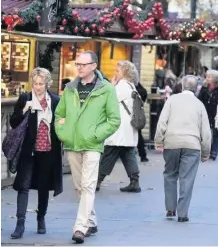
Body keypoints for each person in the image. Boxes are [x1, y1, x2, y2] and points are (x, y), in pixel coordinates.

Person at [55, 51, 120, 244]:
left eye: (83, 64)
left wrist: (96, 135)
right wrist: (63, 132)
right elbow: (59, 114)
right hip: (72, 143)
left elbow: (114, 120)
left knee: (88, 185)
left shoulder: (106, 89)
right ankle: (91, 221)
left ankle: (80, 227)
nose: (79, 67)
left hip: (92, 144)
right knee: (78, 186)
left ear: (94, 66)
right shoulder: (69, 88)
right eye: (78, 64)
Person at [9, 68, 63, 239]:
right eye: (35, 83)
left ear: (47, 83)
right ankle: (20, 223)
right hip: (28, 151)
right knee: (23, 187)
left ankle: (41, 218)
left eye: (41, 84)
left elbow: (61, 124)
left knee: (43, 187)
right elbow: (14, 122)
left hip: (48, 150)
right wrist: (25, 109)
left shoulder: (55, 100)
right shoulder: (26, 98)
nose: (37, 87)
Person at [154, 75, 211, 222]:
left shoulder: (172, 100)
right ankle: (183, 213)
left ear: (182, 86)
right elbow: (206, 131)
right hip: (192, 146)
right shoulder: (199, 105)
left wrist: (159, 141)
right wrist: (206, 152)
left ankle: (171, 209)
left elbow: (162, 122)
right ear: (196, 87)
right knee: (187, 179)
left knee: (170, 175)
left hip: (172, 143)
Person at [97, 61, 142, 193]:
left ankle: (97, 181)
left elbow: (106, 100)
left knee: (109, 153)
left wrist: (111, 85)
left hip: (118, 128)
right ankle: (135, 181)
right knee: (128, 153)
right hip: (128, 128)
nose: (115, 73)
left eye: (117, 71)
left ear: (124, 73)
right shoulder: (131, 86)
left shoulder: (121, 87)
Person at [198, 70, 218, 161]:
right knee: (205, 134)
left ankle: (214, 152)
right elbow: (199, 100)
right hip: (205, 113)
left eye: (209, 77)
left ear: (215, 79)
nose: (207, 78)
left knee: (215, 133)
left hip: (216, 114)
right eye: (206, 76)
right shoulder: (203, 89)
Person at [135, 82, 149, 162]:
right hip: (136, 113)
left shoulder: (129, 85)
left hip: (129, 114)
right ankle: (143, 155)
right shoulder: (137, 85)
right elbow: (144, 92)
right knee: (138, 134)